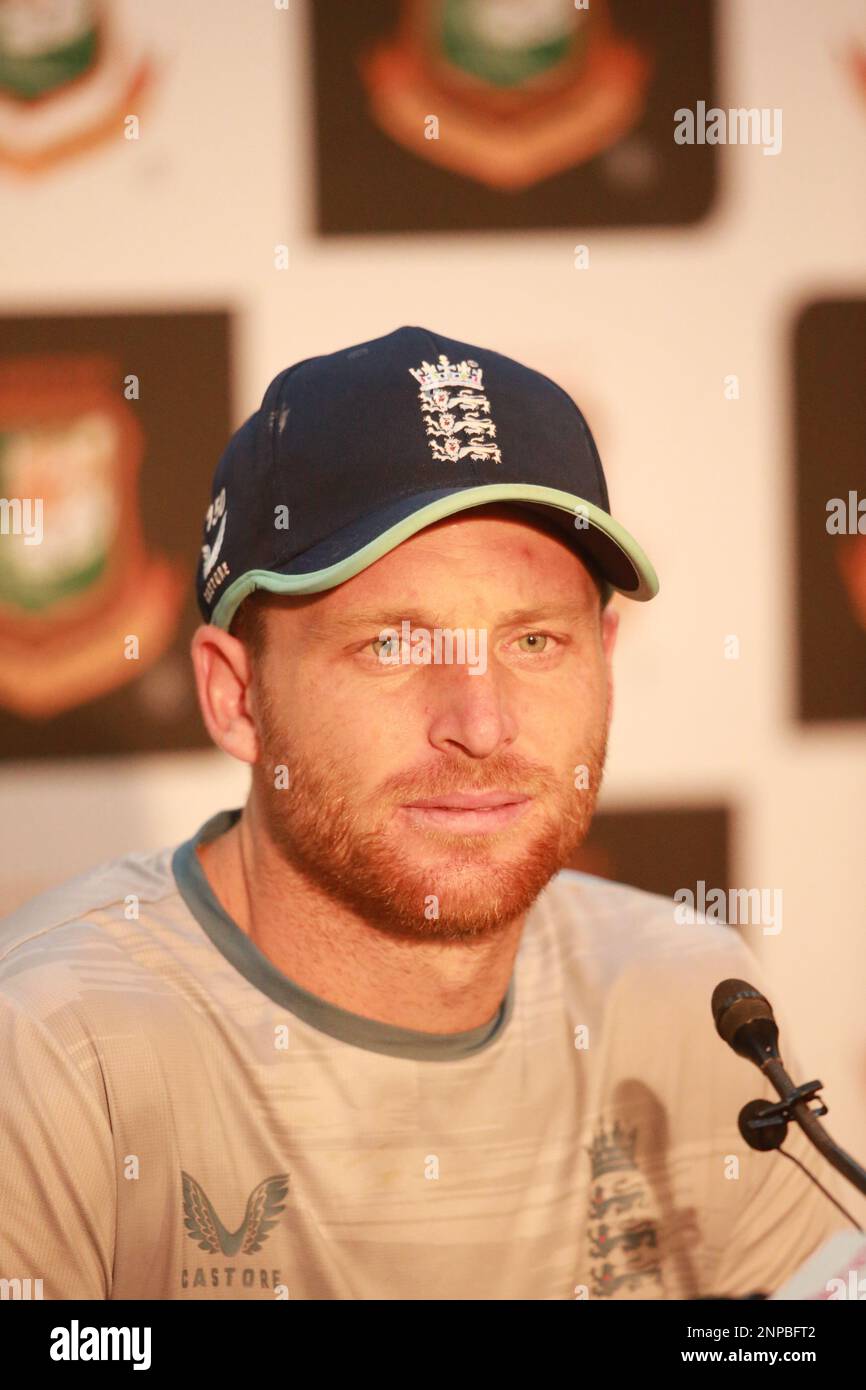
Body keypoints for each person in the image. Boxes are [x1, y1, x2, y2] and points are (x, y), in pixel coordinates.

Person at [0, 327, 848, 1300]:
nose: (481, 724)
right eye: (392, 646)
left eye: (532, 641)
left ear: (603, 659)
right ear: (236, 697)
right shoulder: (53, 1050)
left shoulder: (687, 1002)